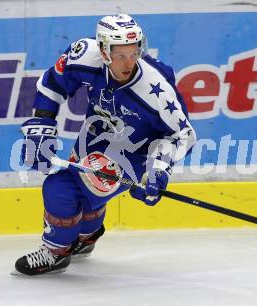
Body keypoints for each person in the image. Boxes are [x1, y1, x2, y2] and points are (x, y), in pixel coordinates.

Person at [14, 13, 196, 276]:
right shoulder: (85, 54)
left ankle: (56, 252)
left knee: (60, 188)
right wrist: (41, 130)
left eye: (134, 53)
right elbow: (52, 83)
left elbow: (181, 135)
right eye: (120, 55)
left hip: (133, 150)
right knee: (88, 196)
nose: (129, 62)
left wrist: (158, 170)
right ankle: (87, 236)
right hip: (95, 134)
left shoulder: (156, 89)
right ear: (103, 50)